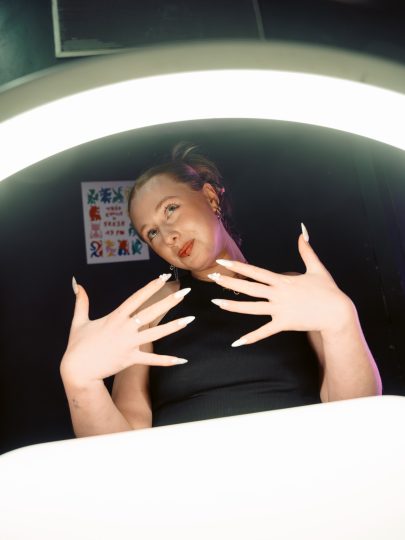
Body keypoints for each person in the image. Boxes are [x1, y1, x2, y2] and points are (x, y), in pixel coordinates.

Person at [60, 142, 382, 437]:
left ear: (210, 197)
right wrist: (81, 385)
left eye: (170, 209)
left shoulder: (292, 292)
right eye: (152, 233)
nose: (168, 236)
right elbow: (124, 441)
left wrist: (342, 322)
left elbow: (355, 417)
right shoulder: (151, 313)